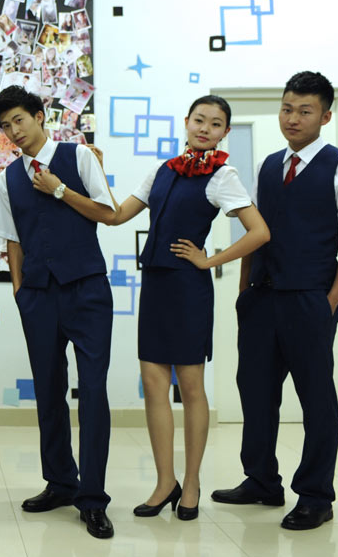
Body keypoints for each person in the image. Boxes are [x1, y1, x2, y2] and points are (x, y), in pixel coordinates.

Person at [212, 71, 338, 530]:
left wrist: (330, 301)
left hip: (309, 299)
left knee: (316, 400)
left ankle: (316, 496)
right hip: (262, 300)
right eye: (287, 109)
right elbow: (253, 233)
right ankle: (261, 480)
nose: (293, 118)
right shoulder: (267, 166)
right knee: (256, 393)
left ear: (325, 115)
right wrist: (244, 292)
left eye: (304, 111)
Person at [100, 95, 270, 521]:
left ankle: (191, 482)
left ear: (224, 132)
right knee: (154, 386)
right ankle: (165, 482)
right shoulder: (163, 170)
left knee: (191, 387)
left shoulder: (222, 175)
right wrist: (95, 170)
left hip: (188, 289)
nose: (205, 128)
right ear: (186, 122)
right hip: (155, 286)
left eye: (215, 124)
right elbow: (117, 215)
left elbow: (259, 232)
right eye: (199, 120)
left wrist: (209, 260)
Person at [0, 85, 116, 540]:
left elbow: (107, 211)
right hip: (39, 296)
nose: (13, 132)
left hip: (87, 290)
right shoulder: (7, 179)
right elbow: (12, 242)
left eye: (19, 121)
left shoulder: (78, 157)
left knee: (94, 393)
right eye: (5, 127)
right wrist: (22, 295)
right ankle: (61, 482)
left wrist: (60, 190)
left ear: (40, 116)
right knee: (48, 391)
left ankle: (93, 498)